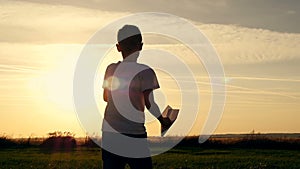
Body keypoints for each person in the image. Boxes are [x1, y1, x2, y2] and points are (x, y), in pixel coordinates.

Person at [101, 25, 171, 169]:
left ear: (118, 47)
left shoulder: (111, 69)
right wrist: (162, 120)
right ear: (140, 46)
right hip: (135, 134)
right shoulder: (145, 72)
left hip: (110, 134)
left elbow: (106, 97)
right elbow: (149, 103)